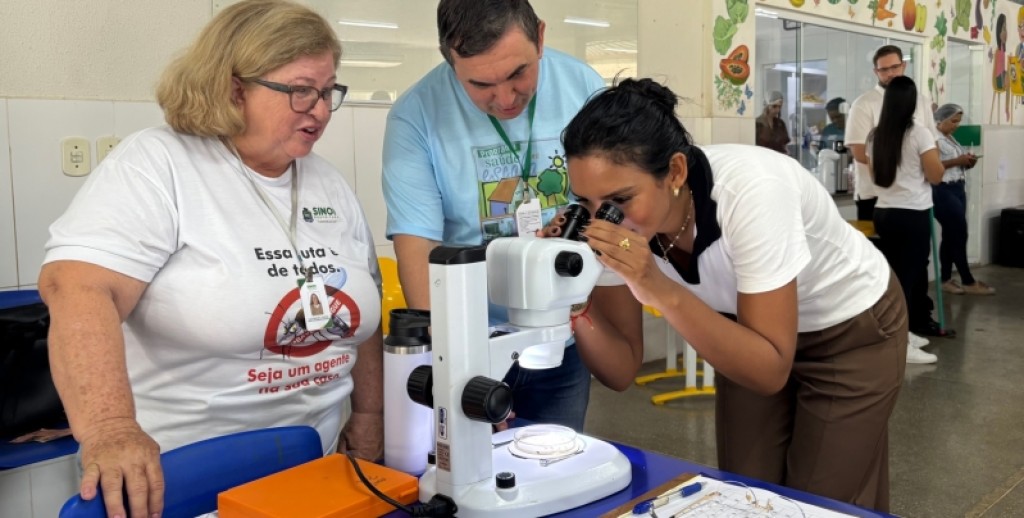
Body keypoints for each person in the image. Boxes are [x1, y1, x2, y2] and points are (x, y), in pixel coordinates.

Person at [38, 2, 383, 517]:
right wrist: (109, 429)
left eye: (328, 90)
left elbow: (366, 308)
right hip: (184, 480)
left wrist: (370, 414)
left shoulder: (327, 182)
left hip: (315, 470)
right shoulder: (159, 164)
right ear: (234, 88)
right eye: (300, 90)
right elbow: (76, 288)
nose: (320, 109)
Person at [557, 78, 906, 511]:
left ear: (676, 172)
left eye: (619, 200)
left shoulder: (751, 191)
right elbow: (621, 369)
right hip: (747, 329)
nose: (603, 221)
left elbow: (769, 370)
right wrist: (570, 297)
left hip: (850, 329)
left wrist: (658, 287)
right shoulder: (613, 226)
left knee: (819, 501)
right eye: (586, 203)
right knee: (745, 492)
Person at [382, 0, 605, 430]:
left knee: (557, 456)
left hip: (560, 332)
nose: (504, 99)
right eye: (481, 84)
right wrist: (458, 371)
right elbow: (418, 251)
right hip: (471, 341)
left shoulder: (583, 87)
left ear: (540, 37)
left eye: (519, 73)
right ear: (450, 61)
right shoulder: (416, 116)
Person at [868, 76, 946, 359]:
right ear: (912, 103)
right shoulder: (919, 134)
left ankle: (901, 333)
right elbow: (936, 176)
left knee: (894, 277)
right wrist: (935, 153)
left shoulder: (875, 136)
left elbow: (875, 176)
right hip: (913, 214)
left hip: (884, 212)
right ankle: (900, 344)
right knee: (908, 280)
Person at [846, 45, 938, 222]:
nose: (890, 73)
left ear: (903, 66)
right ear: (876, 72)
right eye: (884, 69)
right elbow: (859, 152)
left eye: (895, 67)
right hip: (875, 195)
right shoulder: (863, 104)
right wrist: (903, 171)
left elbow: (933, 143)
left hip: (915, 197)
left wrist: (925, 169)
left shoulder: (921, 101)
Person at [932, 104, 995, 296]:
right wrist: (957, 161)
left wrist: (967, 163)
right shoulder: (933, 138)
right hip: (942, 189)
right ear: (941, 120)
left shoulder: (950, 138)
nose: (956, 126)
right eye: (953, 121)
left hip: (958, 187)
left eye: (958, 122)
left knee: (951, 235)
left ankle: (945, 280)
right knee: (959, 234)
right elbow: (933, 166)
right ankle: (968, 280)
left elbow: (955, 164)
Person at [755, 90, 790, 155]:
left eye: (779, 107)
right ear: (767, 106)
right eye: (774, 106)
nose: (777, 110)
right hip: (762, 158)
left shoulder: (781, 124)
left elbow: (785, 146)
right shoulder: (757, 124)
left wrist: (787, 156)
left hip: (779, 159)